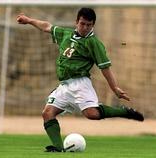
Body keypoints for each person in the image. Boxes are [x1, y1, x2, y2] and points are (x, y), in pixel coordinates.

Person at [17, 8, 144, 152]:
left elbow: (105, 67)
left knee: (92, 114)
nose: (85, 27)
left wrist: (115, 88)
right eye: (82, 24)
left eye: (89, 25)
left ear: (93, 25)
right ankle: (58, 148)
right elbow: (47, 26)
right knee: (47, 113)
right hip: (64, 85)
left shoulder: (93, 43)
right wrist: (28, 20)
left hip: (80, 83)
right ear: (76, 22)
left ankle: (124, 112)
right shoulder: (66, 34)